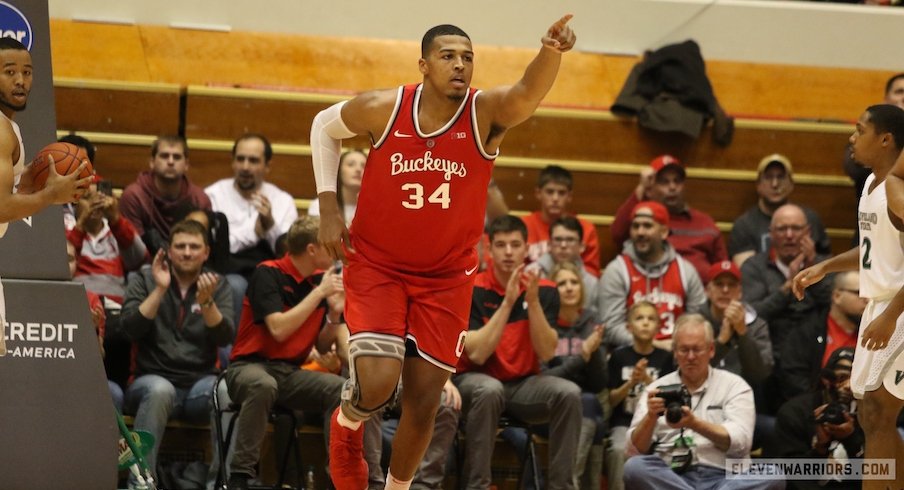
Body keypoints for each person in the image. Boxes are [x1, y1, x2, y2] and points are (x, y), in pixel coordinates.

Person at [310, 16, 577, 490]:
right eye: (448, 56)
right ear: (424, 65)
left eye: (468, 57)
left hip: (447, 276)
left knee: (426, 400)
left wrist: (551, 52)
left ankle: (397, 488)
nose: (460, 65)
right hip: (379, 265)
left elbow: (527, 94)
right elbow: (322, 127)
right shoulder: (384, 108)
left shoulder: (485, 114)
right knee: (377, 383)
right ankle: (348, 421)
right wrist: (329, 207)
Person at [796, 104, 904, 490]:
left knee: (878, 409)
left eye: (860, 130)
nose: (851, 138)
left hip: (899, 306)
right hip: (882, 304)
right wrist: (825, 267)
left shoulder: (896, 187)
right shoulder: (873, 186)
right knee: (872, 415)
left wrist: (891, 315)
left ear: (886, 139)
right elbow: (873, 247)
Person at [454, 215, 581, 490]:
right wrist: (508, 302)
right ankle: (476, 486)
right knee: (488, 389)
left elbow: (547, 352)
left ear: (527, 249)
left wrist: (532, 303)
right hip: (475, 381)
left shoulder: (545, 291)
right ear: (489, 250)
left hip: (522, 385)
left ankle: (562, 487)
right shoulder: (472, 288)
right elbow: (476, 354)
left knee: (568, 394)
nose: (509, 252)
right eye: (501, 245)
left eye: (515, 244)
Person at [224, 216, 347, 490]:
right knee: (262, 384)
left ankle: (338, 476)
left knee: (343, 390)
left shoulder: (320, 281)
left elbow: (324, 346)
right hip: (248, 367)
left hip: (290, 373)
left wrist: (335, 316)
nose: (337, 251)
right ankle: (239, 478)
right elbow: (278, 329)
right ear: (312, 249)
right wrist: (318, 296)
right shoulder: (267, 273)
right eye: (330, 245)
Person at [120, 219, 235, 479]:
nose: (186, 252)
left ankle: (220, 483)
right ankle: (141, 482)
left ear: (206, 252)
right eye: (180, 246)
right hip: (149, 382)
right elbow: (130, 329)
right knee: (161, 390)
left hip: (198, 385)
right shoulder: (145, 278)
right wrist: (160, 289)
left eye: (194, 247)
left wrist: (207, 303)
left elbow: (224, 336)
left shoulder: (218, 284)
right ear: (169, 251)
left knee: (225, 391)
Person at [0, 38, 91, 355]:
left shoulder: (8, 128)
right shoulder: (1, 131)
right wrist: (50, 194)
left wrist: (29, 179)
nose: (20, 80)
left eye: (27, 71)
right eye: (9, 71)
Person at [623, 314, 778, 490]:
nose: (690, 357)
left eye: (697, 350)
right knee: (634, 468)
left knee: (774, 474)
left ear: (711, 350)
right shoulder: (657, 389)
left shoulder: (735, 386)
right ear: (674, 352)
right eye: (683, 350)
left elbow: (740, 444)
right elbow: (633, 451)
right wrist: (650, 418)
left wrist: (695, 424)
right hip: (671, 475)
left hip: (725, 477)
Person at [205, 133, 298, 319]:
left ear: (267, 166)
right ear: (233, 162)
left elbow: (290, 255)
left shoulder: (282, 200)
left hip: (268, 275)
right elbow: (215, 248)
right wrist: (254, 232)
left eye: (253, 160)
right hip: (225, 271)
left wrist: (269, 225)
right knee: (235, 285)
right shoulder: (213, 196)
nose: (245, 167)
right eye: (240, 159)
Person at [597, 200, 706, 349]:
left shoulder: (685, 271)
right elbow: (611, 328)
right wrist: (653, 345)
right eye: (636, 226)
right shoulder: (617, 270)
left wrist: (679, 347)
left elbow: (698, 321)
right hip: (632, 355)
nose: (640, 232)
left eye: (647, 226)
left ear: (664, 232)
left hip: (676, 355)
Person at [610, 154, 727, 280]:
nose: (672, 187)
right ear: (650, 190)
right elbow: (617, 234)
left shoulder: (705, 222)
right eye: (664, 182)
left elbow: (723, 270)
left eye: (677, 181)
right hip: (654, 293)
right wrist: (641, 188)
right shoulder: (644, 223)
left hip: (701, 295)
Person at [766, 347, 864, 490]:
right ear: (826, 379)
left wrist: (851, 440)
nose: (849, 386)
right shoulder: (795, 412)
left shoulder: (869, 417)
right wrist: (820, 449)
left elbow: (878, 472)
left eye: (856, 379)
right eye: (842, 378)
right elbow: (786, 475)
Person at [546, 261, 606, 488]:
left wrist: (596, 350)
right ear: (553, 290)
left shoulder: (591, 320)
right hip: (551, 406)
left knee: (590, 401)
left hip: (586, 404)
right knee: (596, 423)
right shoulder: (545, 324)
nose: (569, 287)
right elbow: (546, 377)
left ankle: (567, 482)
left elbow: (599, 383)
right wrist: (583, 355)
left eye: (574, 282)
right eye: (562, 283)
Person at [606, 301, 674, 490]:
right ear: (629, 327)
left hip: (656, 424)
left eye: (651, 319)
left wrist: (646, 380)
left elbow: (669, 400)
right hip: (623, 422)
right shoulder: (618, 356)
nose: (645, 323)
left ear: (659, 327)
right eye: (639, 318)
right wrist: (631, 383)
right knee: (618, 450)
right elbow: (612, 400)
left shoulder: (666, 358)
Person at [728, 154, 830, 266]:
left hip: (807, 279)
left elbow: (825, 262)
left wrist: (811, 261)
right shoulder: (744, 225)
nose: (775, 184)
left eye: (781, 177)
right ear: (758, 185)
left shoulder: (810, 219)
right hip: (764, 283)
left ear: (791, 184)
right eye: (768, 177)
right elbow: (746, 274)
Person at [119, 135, 211, 256]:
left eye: (177, 157)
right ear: (152, 162)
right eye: (164, 156)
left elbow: (202, 248)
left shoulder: (199, 199)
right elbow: (134, 251)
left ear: (186, 164)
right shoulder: (134, 196)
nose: (171, 162)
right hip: (145, 265)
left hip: (188, 263)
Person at [780, 271, 866, 401]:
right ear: (837, 296)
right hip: (815, 407)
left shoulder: (874, 332)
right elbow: (794, 378)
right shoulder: (807, 331)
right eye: (860, 293)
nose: (868, 300)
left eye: (870, 295)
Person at [68, 181, 149, 304]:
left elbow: (140, 260)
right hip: (78, 305)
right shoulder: (68, 230)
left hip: (115, 309)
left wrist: (116, 220)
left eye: (100, 198)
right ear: (76, 203)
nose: (94, 203)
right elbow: (62, 266)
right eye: (87, 198)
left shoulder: (118, 231)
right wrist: (80, 226)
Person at [700, 260, 773, 389]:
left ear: (740, 292)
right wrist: (721, 341)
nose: (725, 290)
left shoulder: (757, 325)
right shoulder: (694, 323)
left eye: (731, 285)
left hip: (743, 394)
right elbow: (687, 370)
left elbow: (761, 374)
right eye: (719, 284)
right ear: (708, 290)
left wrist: (743, 334)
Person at [521, 164, 600, 276]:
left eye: (561, 193)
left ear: (569, 196)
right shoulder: (523, 225)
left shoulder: (586, 229)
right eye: (550, 192)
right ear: (538, 193)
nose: (555, 198)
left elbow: (591, 274)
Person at [535, 215, 599, 306]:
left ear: (582, 247)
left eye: (570, 239)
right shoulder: (532, 274)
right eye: (558, 239)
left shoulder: (591, 283)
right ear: (549, 245)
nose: (563, 245)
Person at [307, 149, 366, 224]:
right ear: (339, 170)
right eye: (351, 164)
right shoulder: (319, 205)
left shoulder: (374, 208)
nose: (358, 169)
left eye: (363, 166)